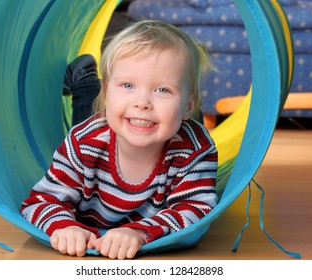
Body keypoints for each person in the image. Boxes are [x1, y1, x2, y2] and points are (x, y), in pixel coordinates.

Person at [21, 20, 218, 260]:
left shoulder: (196, 150)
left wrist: (139, 232)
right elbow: (39, 201)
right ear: (107, 90)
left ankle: (175, 104)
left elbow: (196, 209)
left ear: (187, 106)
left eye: (162, 89)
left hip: (171, 124)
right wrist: (64, 226)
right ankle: (85, 79)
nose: (142, 101)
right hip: (102, 131)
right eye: (128, 85)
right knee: (90, 116)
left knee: (175, 122)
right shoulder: (84, 143)